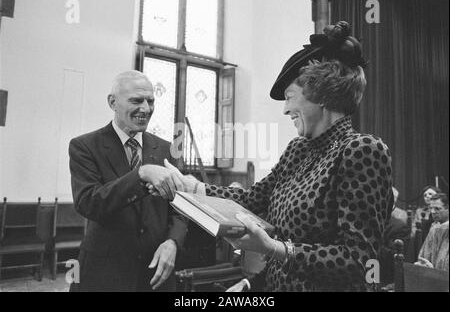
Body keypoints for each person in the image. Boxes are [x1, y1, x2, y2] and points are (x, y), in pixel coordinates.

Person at [163, 21, 393, 291]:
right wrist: (193, 186)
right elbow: (252, 200)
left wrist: (274, 248)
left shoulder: (361, 150)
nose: (285, 110)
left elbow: (361, 261)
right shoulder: (297, 150)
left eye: (289, 97)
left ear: (320, 94)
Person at [69, 71, 187, 292]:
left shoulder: (166, 149)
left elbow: (181, 207)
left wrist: (173, 242)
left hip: (156, 275)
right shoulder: (85, 146)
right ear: (113, 102)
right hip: (104, 273)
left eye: (150, 101)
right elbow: (88, 203)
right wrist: (140, 174)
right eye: (136, 100)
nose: (145, 108)